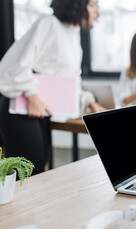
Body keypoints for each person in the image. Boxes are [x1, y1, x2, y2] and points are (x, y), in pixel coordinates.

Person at [0, 0, 104, 175]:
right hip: (21, 111)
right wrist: (32, 95)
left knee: (38, 172)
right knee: (28, 175)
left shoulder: (72, 34)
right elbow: (11, 65)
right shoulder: (48, 24)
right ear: (78, 4)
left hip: (40, 113)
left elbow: (66, 79)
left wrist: (89, 100)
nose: (97, 12)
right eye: (93, 5)